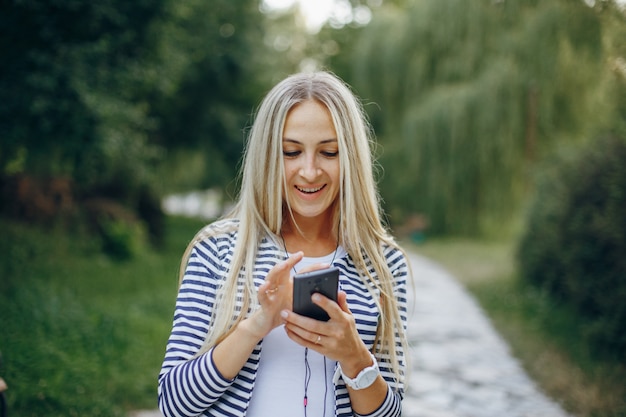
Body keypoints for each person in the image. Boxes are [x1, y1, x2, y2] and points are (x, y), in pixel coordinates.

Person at [158, 71, 410, 417]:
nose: (309, 171)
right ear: (267, 156)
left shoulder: (384, 263)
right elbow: (174, 404)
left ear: (350, 157)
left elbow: (389, 412)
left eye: (329, 152)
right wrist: (258, 323)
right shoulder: (218, 250)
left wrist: (355, 357)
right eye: (291, 152)